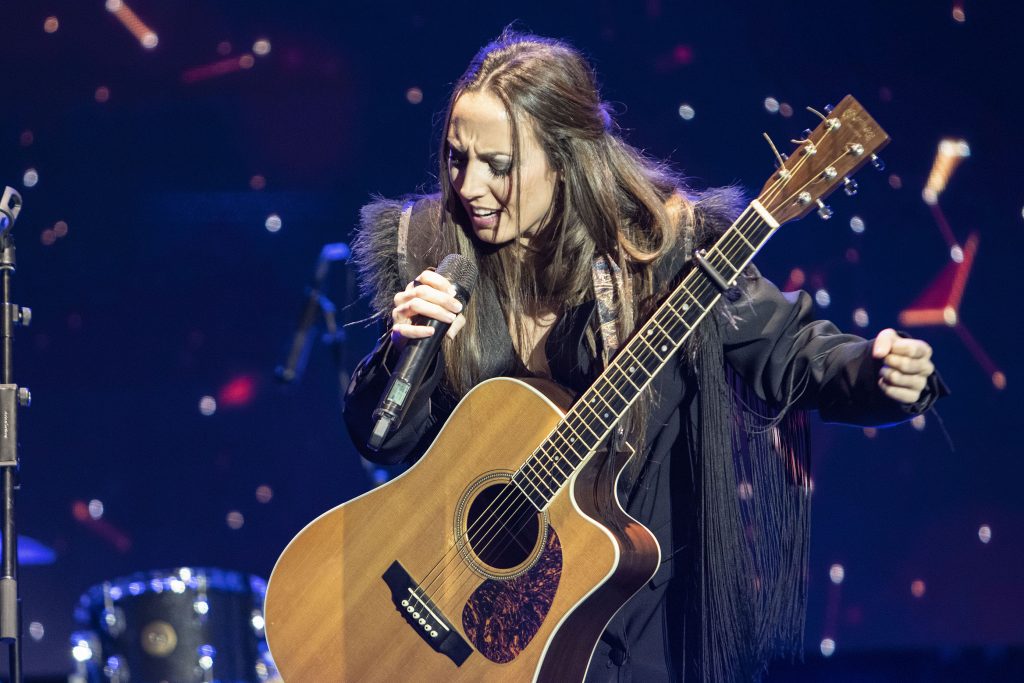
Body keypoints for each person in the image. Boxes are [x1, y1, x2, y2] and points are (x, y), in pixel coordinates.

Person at [342, 30, 945, 682]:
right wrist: (405, 350)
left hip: (628, 630)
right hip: (467, 626)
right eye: (457, 158)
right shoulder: (437, 245)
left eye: (499, 165)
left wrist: (877, 372)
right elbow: (382, 440)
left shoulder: (663, 251)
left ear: (566, 160)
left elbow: (791, 350)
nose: (469, 186)